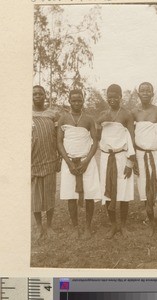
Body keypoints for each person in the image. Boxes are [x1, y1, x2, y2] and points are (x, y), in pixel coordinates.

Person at [57, 89, 101, 240]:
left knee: (89, 195)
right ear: (69, 101)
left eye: (79, 100)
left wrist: (87, 161)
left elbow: (95, 142)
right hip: (69, 162)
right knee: (71, 196)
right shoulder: (63, 118)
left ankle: (87, 227)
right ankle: (75, 227)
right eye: (74, 100)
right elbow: (59, 142)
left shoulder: (89, 119)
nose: (77, 103)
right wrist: (68, 163)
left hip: (86, 161)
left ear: (83, 101)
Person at [132, 82, 157, 236]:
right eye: (142, 90)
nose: (145, 93)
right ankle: (151, 221)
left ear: (152, 93)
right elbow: (131, 135)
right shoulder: (134, 113)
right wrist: (134, 158)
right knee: (144, 188)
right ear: (138, 94)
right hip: (141, 155)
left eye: (148, 90)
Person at [97, 84, 135, 239]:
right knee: (108, 190)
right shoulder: (103, 114)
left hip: (122, 156)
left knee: (124, 192)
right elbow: (97, 134)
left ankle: (123, 225)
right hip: (107, 157)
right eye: (109, 97)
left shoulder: (126, 114)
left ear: (121, 97)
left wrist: (130, 162)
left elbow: (131, 137)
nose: (112, 100)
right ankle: (113, 225)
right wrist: (100, 121)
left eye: (115, 97)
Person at [32, 85, 60, 240]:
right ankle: (38, 227)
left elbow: (58, 137)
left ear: (45, 96)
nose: (37, 96)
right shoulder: (25, 114)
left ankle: (49, 226)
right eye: (34, 94)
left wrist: (59, 158)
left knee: (49, 194)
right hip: (33, 161)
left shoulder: (53, 114)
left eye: (40, 94)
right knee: (35, 196)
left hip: (50, 159)